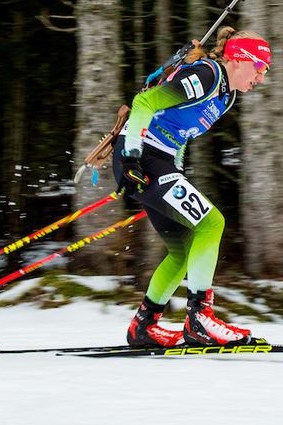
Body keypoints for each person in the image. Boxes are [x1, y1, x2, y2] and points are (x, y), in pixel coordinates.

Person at [113, 27, 271, 347]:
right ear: (239, 60)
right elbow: (145, 102)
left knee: (183, 249)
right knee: (211, 223)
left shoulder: (226, 96)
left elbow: (180, 134)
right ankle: (199, 318)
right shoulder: (208, 76)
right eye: (259, 68)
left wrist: (176, 171)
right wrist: (130, 160)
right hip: (142, 155)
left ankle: (144, 326)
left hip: (160, 160)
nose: (261, 78)